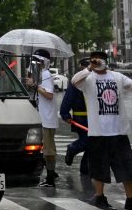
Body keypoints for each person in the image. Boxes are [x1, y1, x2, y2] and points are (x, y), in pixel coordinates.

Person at [71, 49, 132, 210]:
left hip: (118, 131)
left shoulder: (116, 76)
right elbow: (74, 81)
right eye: (93, 60)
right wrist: (89, 68)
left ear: (105, 60)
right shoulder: (88, 79)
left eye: (99, 59)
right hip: (98, 133)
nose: (96, 62)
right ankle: (100, 198)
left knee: (127, 167)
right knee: (99, 168)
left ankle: (130, 200)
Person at [26, 49, 59, 187]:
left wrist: (35, 86)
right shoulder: (41, 75)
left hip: (47, 119)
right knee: (44, 148)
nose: (35, 63)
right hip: (43, 118)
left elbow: (49, 95)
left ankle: (51, 177)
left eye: (37, 61)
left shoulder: (46, 75)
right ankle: (51, 172)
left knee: (48, 150)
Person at [60, 58, 90, 176]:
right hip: (81, 117)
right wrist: (65, 113)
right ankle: (72, 148)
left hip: (93, 117)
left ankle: (85, 168)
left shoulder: (94, 79)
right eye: (86, 66)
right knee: (87, 140)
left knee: (91, 144)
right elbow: (69, 97)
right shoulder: (77, 79)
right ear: (81, 67)